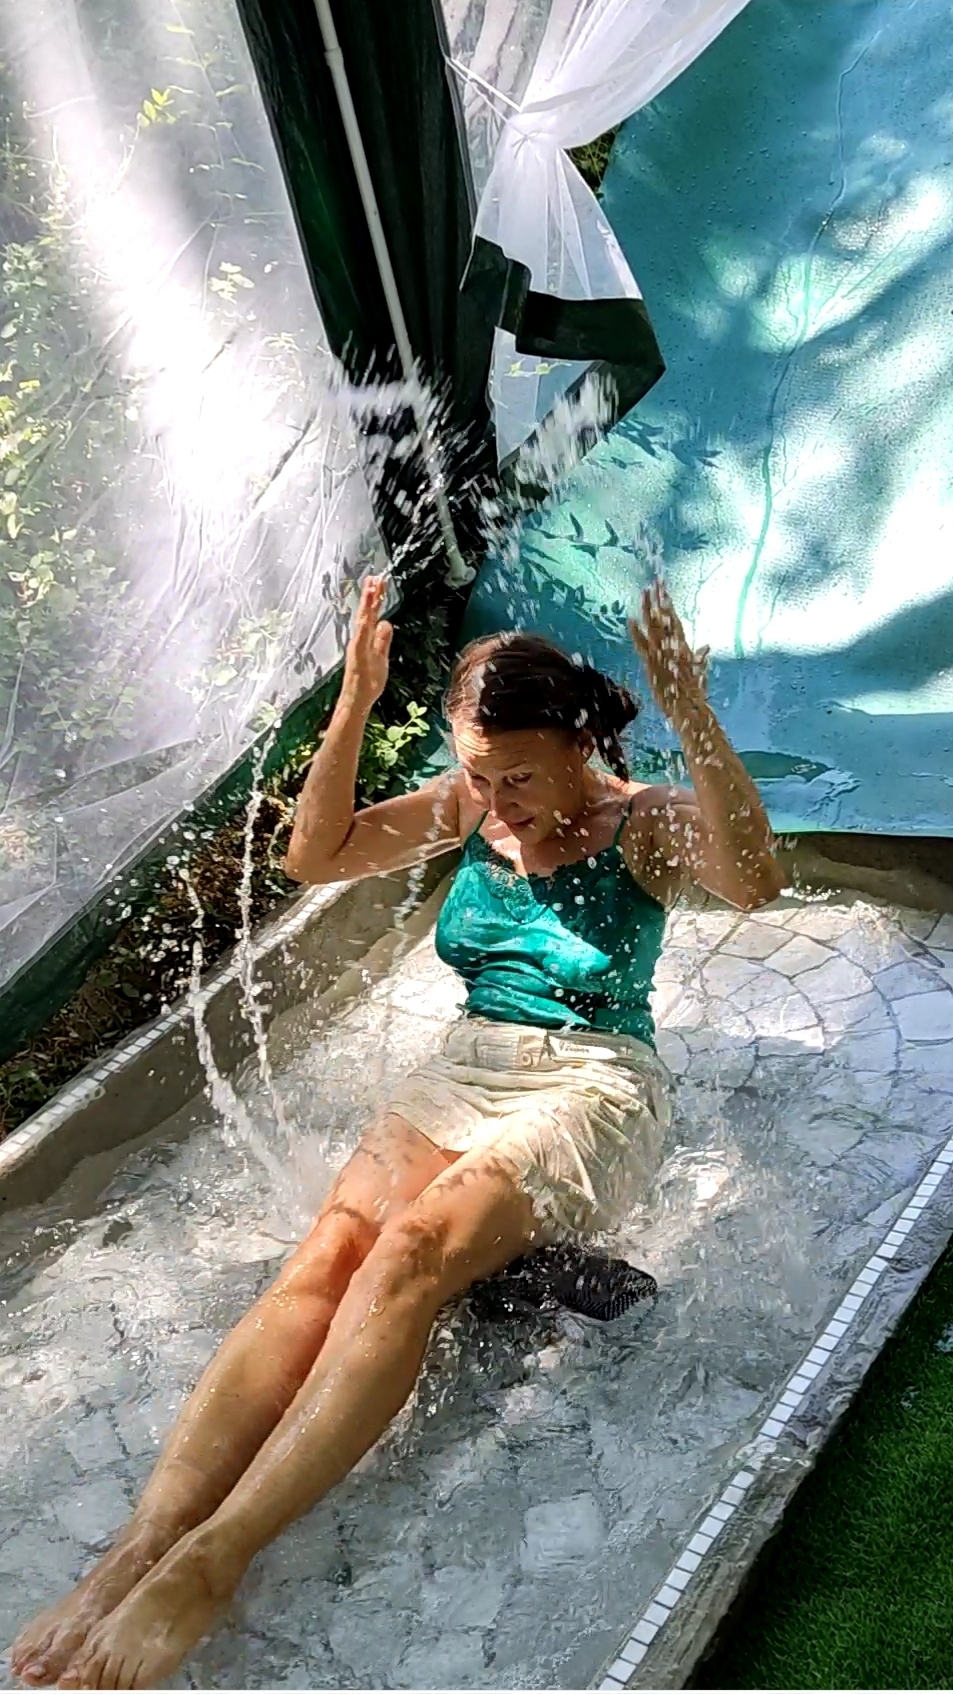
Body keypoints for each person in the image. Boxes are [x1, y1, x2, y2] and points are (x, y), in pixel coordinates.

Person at [11, 576, 784, 1690]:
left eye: (519, 776)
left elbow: (754, 882)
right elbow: (314, 855)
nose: (498, 800)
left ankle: (215, 1559)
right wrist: (352, 705)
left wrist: (694, 714)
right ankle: (142, 1545)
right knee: (331, 1246)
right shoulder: (470, 805)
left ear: (578, 746)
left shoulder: (642, 822)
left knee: (411, 1247)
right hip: (466, 1064)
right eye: (479, 773)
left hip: (593, 1078)